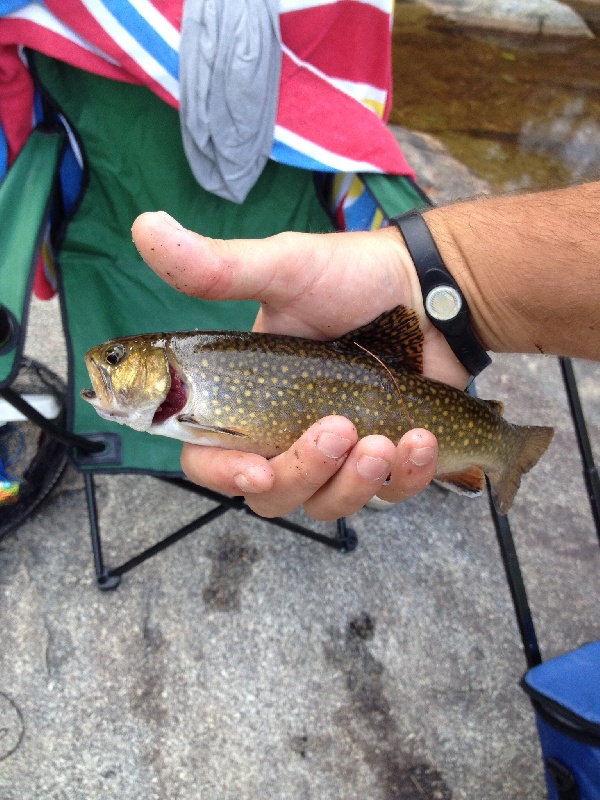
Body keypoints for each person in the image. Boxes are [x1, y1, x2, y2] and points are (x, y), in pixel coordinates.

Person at [131, 180, 600, 521]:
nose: (108, 367)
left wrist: (430, 277)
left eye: (116, 360)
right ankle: (490, 447)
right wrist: (438, 276)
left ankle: (498, 447)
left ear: (165, 371)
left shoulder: (190, 373)